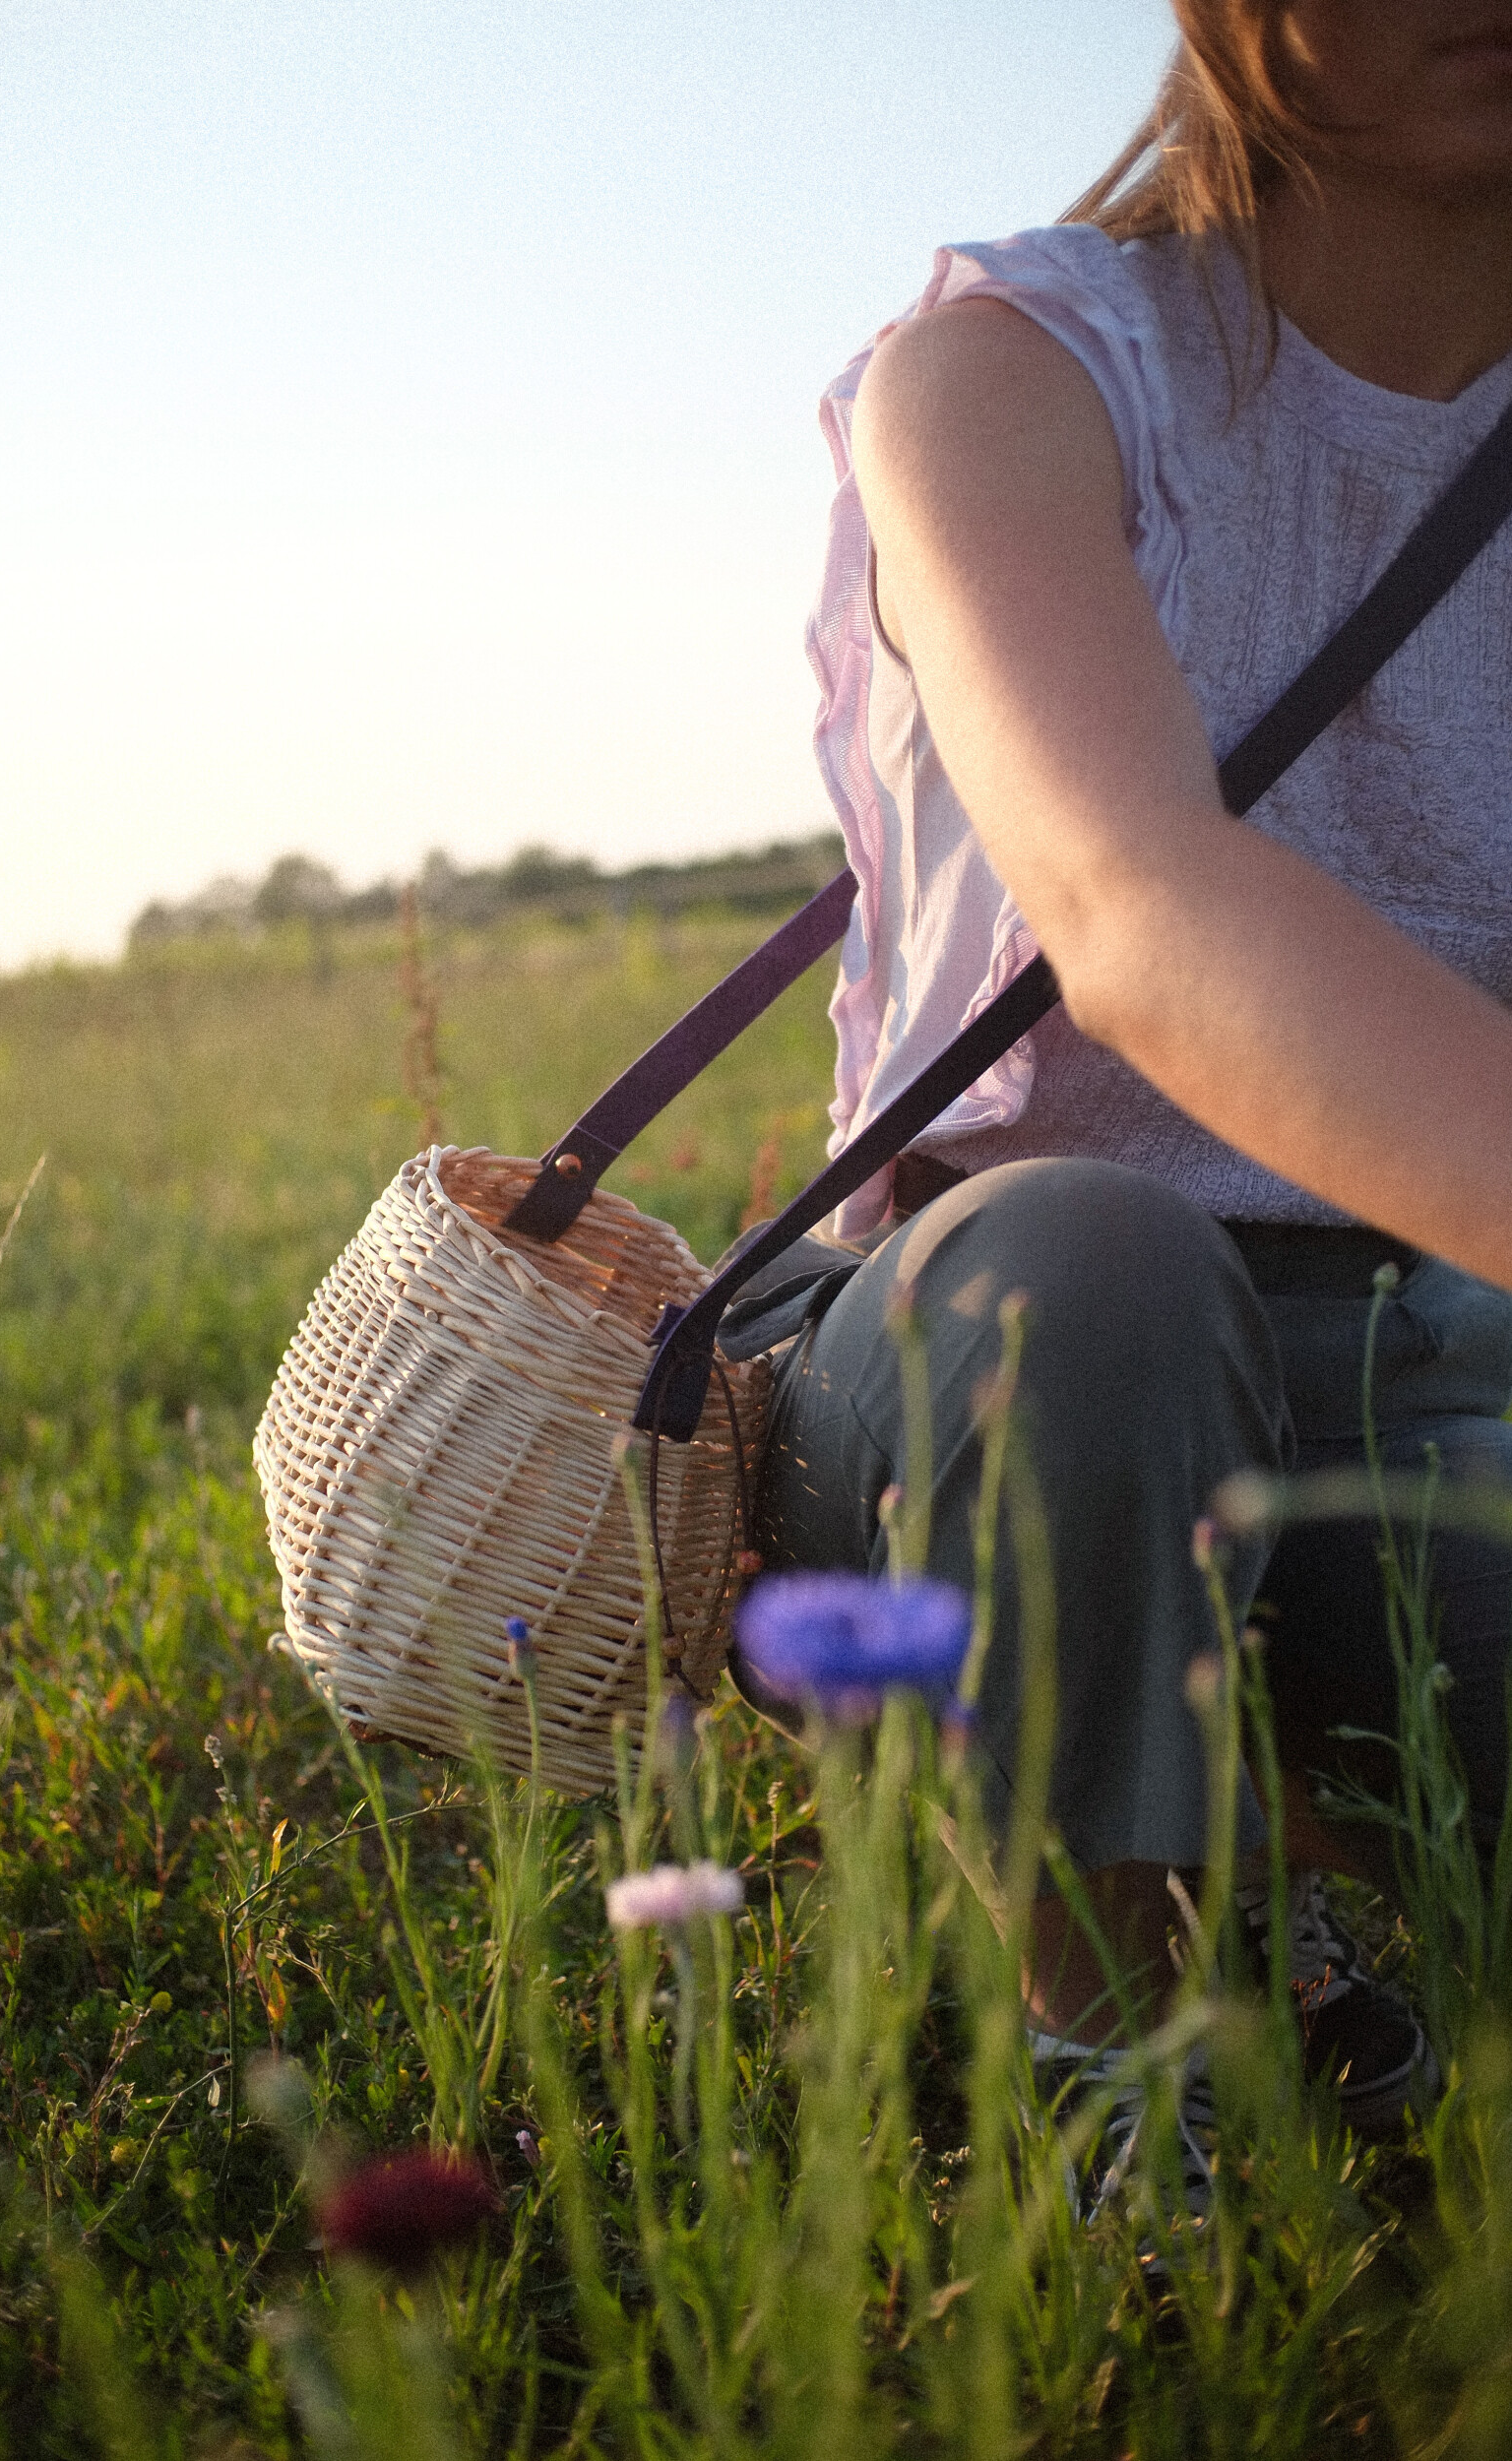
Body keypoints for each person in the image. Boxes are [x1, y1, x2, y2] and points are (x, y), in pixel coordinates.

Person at [740, 2, 1512, 2176]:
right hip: (999, 1348)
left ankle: (1295, 1824)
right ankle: (1127, 2066)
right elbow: (1140, 909)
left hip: (1428, 1346)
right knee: (1091, 1273)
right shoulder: (1016, 374)